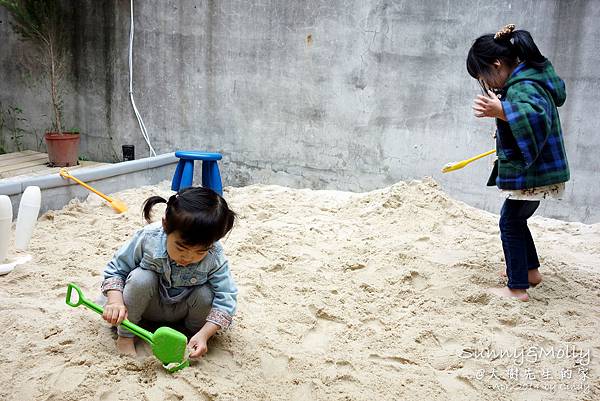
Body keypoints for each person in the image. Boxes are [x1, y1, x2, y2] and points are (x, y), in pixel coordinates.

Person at [467, 24, 570, 301]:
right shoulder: (529, 80)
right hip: (540, 171)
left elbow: (536, 117)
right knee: (517, 219)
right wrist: (503, 111)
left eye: (484, 77)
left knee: (509, 222)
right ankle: (530, 271)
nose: (487, 85)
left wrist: (501, 110)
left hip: (535, 172)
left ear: (497, 64)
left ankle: (517, 287)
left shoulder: (524, 85)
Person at [100, 186, 237, 356]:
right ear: (165, 224)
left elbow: (226, 298)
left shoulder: (214, 254)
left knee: (205, 294)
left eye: (200, 251)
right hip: (147, 307)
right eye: (181, 247)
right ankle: (126, 337)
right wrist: (114, 302)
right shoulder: (148, 238)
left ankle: (191, 338)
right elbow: (116, 270)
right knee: (141, 278)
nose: (188, 257)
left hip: (183, 312)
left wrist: (204, 334)